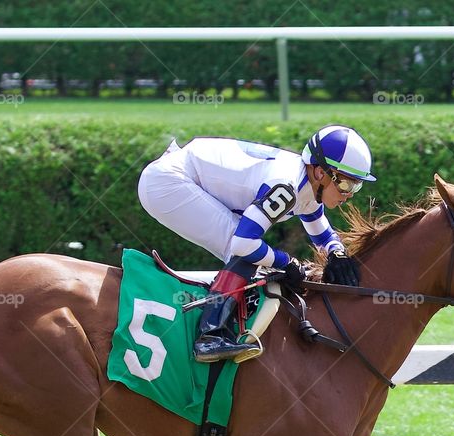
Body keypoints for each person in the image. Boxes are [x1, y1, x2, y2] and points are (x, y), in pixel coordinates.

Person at [138, 125, 376, 363]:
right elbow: (243, 245)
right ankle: (210, 337)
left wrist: (338, 254)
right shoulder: (287, 186)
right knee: (245, 250)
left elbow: (323, 236)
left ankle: (221, 327)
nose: (349, 194)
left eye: (357, 186)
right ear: (320, 172)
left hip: (179, 174)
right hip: (169, 182)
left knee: (252, 251)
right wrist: (287, 262)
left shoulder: (309, 186)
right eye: (346, 184)